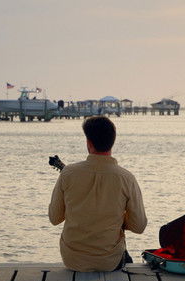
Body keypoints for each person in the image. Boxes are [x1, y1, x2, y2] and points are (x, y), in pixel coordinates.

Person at [49, 116, 147, 271]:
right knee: (127, 258)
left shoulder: (68, 173)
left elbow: (54, 218)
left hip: (72, 260)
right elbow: (139, 226)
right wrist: (117, 218)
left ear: (88, 143)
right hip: (109, 262)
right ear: (112, 142)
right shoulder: (126, 178)